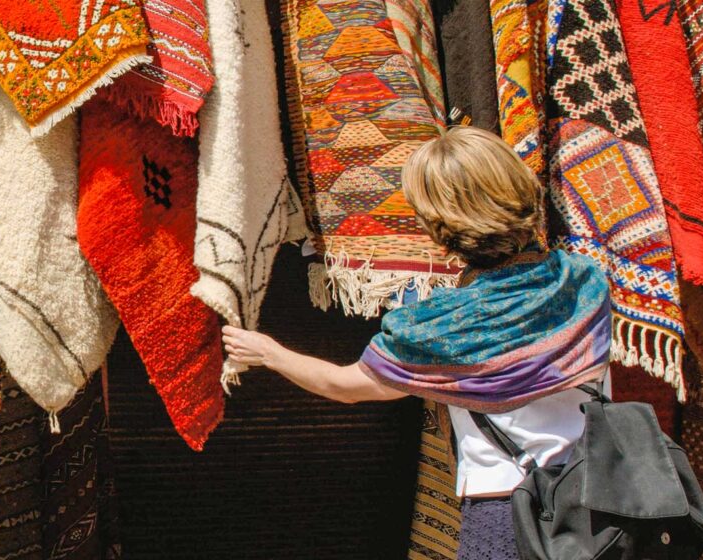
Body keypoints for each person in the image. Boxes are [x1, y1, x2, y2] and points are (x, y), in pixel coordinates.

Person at [221, 126, 612, 560]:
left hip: (510, 514)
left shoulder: (440, 326)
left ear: (441, 228)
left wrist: (269, 353)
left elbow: (347, 386)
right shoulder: (584, 281)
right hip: (607, 503)